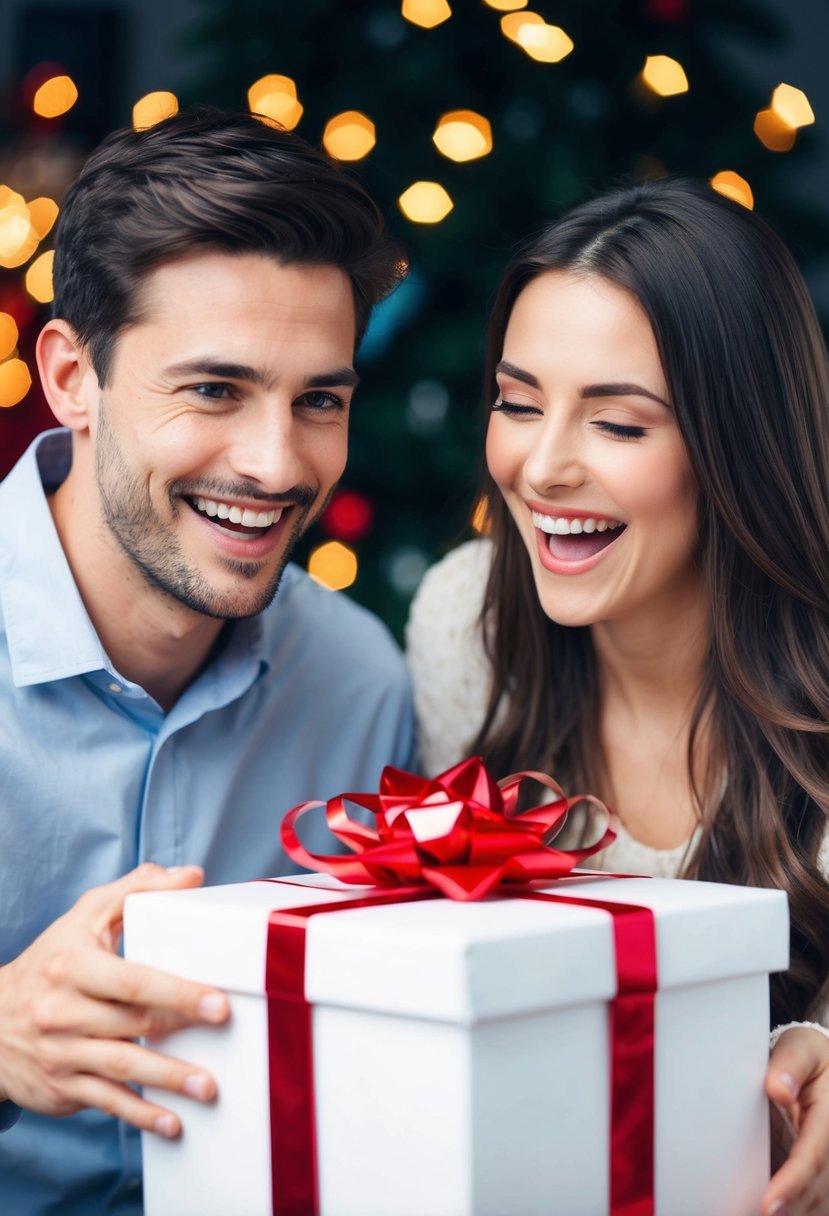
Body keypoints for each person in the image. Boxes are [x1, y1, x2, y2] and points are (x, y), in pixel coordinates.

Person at [0, 106, 414, 1213]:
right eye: (215, 389)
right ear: (71, 377)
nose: (277, 465)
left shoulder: (363, 685)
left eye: (318, 400)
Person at [406, 177, 829, 1216]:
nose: (542, 467)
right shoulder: (465, 626)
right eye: (516, 402)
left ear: (735, 445)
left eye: (619, 425)